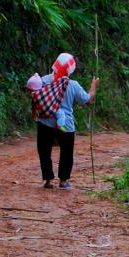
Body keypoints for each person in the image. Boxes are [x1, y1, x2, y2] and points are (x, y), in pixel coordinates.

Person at [28, 53, 98, 189]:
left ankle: (48, 180)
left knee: (44, 151)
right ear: (71, 70)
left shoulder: (43, 81)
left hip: (45, 123)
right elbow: (88, 99)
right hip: (65, 126)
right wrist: (94, 85)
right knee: (66, 152)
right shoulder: (73, 85)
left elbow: (35, 96)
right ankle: (64, 181)